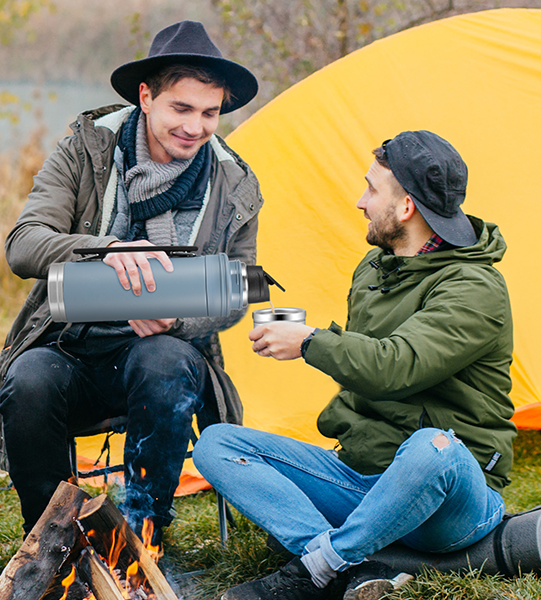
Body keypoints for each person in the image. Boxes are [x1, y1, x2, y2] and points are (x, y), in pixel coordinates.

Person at [196, 131, 514, 600]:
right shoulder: (374, 269)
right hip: (360, 479)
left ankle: (315, 569)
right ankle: (347, 564)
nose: (359, 201)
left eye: (371, 189)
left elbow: (395, 367)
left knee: (433, 448)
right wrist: (309, 340)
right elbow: (364, 364)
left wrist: (309, 341)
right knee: (217, 443)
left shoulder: (476, 288)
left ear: (406, 207)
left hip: (446, 496)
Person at [0, 20, 265, 538]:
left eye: (210, 113)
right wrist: (107, 249)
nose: (196, 126)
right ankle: (53, 543)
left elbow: (240, 286)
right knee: (28, 379)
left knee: (162, 361)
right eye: (181, 109)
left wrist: (179, 318)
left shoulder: (234, 181)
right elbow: (23, 243)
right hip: (70, 344)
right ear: (146, 96)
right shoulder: (86, 150)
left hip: (164, 357)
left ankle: (142, 540)